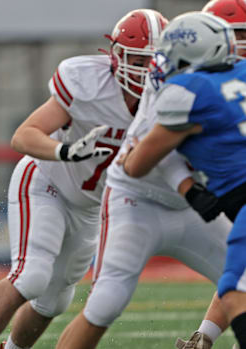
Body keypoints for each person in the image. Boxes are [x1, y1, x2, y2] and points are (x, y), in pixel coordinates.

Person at [0, 9, 166, 349]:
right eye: (137, 60)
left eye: (152, 61)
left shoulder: (172, 97)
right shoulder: (87, 80)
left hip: (90, 207)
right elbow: (24, 135)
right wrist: (66, 151)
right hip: (47, 183)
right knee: (31, 276)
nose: (145, 71)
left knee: (53, 302)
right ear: (116, 55)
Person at [123, 11, 246, 349]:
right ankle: (204, 338)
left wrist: (134, 148)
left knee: (236, 292)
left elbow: (136, 166)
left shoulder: (189, 91)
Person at [174, 2, 246, 348]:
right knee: (236, 278)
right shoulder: (196, 83)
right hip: (230, 198)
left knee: (236, 280)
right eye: (238, 35)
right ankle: (204, 337)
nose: (241, 44)